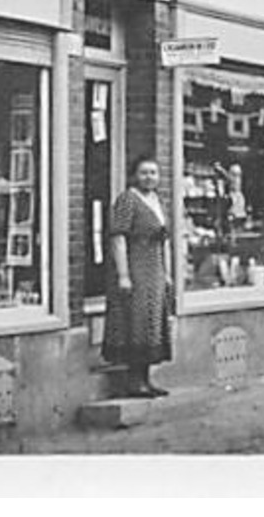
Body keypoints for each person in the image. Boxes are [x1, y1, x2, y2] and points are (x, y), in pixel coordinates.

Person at [103, 156, 174, 398]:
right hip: (135, 265)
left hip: (154, 268)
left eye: (153, 173)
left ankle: (146, 378)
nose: (149, 177)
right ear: (134, 175)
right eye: (144, 172)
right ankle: (134, 381)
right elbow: (118, 237)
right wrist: (123, 274)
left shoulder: (157, 200)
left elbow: (164, 240)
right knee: (136, 322)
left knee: (151, 322)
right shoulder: (127, 200)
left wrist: (167, 273)